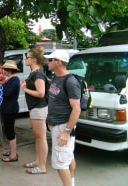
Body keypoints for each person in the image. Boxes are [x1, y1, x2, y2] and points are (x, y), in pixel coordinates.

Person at [45, 50, 81, 186]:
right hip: (57, 124)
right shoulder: (57, 78)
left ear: (58, 62)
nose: (47, 62)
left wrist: (67, 131)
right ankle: (71, 182)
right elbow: (55, 101)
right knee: (68, 156)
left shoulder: (70, 81)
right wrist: (50, 120)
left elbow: (76, 109)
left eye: (50, 60)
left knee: (61, 163)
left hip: (63, 125)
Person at [20, 46, 48, 174]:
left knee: (41, 138)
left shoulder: (38, 74)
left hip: (39, 108)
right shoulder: (35, 73)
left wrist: (25, 89)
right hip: (35, 108)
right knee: (38, 138)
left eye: (28, 57)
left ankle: (42, 166)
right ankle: (37, 161)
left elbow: (41, 93)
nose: (25, 59)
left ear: (34, 59)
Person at [0, 60, 20, 162]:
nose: (4, 72)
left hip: (10, 108)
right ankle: (13, 151)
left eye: (5, 70)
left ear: (9, 70)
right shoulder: (10, 79)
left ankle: (13, 155)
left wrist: (0, 88)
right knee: (8, 130)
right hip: (7, 108)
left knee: (9, 131)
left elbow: (7, 93)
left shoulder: (14, 80)